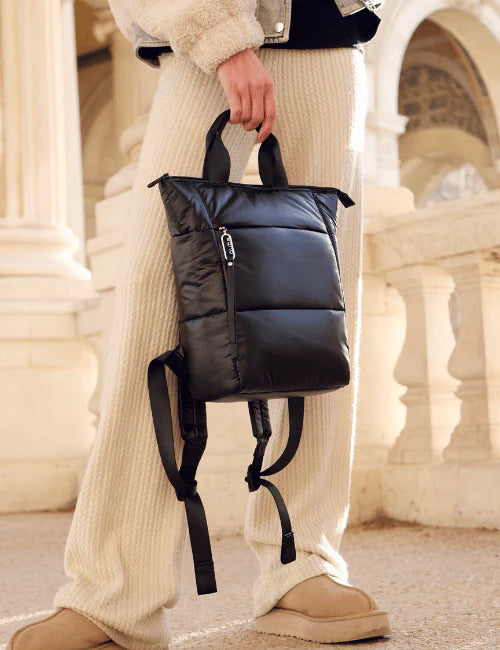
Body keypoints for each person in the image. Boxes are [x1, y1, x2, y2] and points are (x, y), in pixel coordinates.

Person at [7, 1, 390, 648]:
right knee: (154, 311)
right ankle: (114, 590)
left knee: (317, 311)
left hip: (327, 36)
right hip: (203, 43)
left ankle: (303, 559)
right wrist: (221, 38)